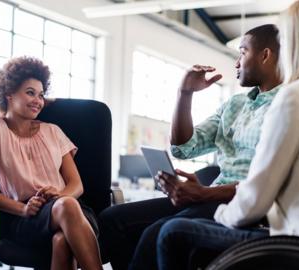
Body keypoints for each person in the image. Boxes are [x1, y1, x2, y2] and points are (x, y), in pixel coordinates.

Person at [155, 0, 299, 269]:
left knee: (172, 232)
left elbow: (256, 199)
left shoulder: (297, 96)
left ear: (292, 43)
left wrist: (218, 215)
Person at [98, 24, 282, 270]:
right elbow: (184, 148)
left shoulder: (286, 106)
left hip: (244, 205)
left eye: (242, 52)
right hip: (212, 196)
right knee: (113, 220)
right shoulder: (235, 105)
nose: (236, 63)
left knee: (155, 234)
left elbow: (271, 185)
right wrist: (185, 94)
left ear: (265, 55)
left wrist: (203, 193)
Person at [0, 56, 103, 270]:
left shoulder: (53, 131)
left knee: (62, 239)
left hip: (73, 210)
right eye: (30, 92)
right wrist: (23, 209)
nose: (38, 100)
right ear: (9, 94)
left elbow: (76, 185)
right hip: (25, 217)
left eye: (41, 95)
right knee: (65, 217)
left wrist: (59, 196)